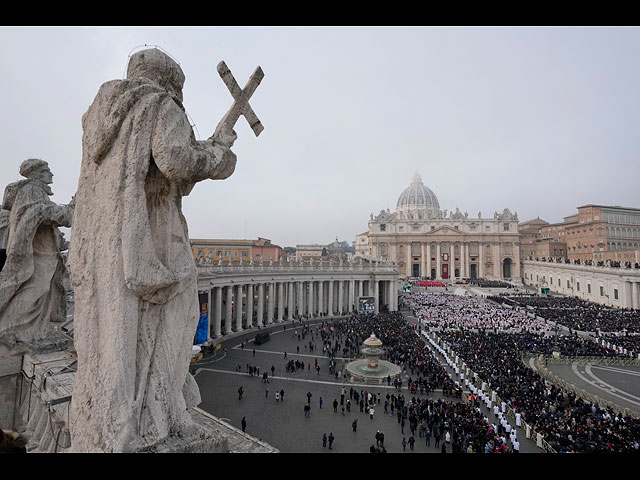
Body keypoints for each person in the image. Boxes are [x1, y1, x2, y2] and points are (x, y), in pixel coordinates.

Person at [68, 48, 238, 453]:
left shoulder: (104, 114)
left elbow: (157, 167)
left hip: (109, 239)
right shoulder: (160, 103)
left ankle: (116, 419)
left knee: (114, 331)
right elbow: (176, 161)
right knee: (175, 320)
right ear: (171, 81)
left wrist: (209, 142)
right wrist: (219, 155)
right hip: (155, 232)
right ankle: (159, 415)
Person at [0, 159, 74, 344]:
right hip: (36, 253)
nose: (51, 174)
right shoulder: (30, 190)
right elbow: (43, 213)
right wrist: (72, 210)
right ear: (35, 173)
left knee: (40, 289)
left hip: (42, 251)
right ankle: (9, 327)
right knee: (35, 288)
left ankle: (32, 330)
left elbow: (44, 214)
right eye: (47, 170)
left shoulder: (36, 191)